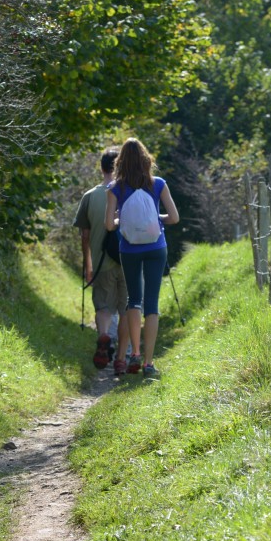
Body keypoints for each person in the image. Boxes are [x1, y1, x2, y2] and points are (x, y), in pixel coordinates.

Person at [105, 138, 179, 378]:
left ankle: (134, 352)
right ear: (146, 160)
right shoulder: (158, 184)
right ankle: (149, 363)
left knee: (133, 300)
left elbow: (109, 225)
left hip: (129, 249)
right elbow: (174, 218)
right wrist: (155, 218)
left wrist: (120, 220)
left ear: (121, 162)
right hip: (156, 247)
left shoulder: (116, 188)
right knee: (152, 304)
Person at [74, 147, 129, 369]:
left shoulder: (89, 196)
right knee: (126, 309)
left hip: (101, 262)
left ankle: (105, 334)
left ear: (101, 168)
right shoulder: (130, 192)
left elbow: (84, 236)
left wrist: (88, 264)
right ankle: (121, 359)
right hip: (128, 260)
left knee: (104, 307)